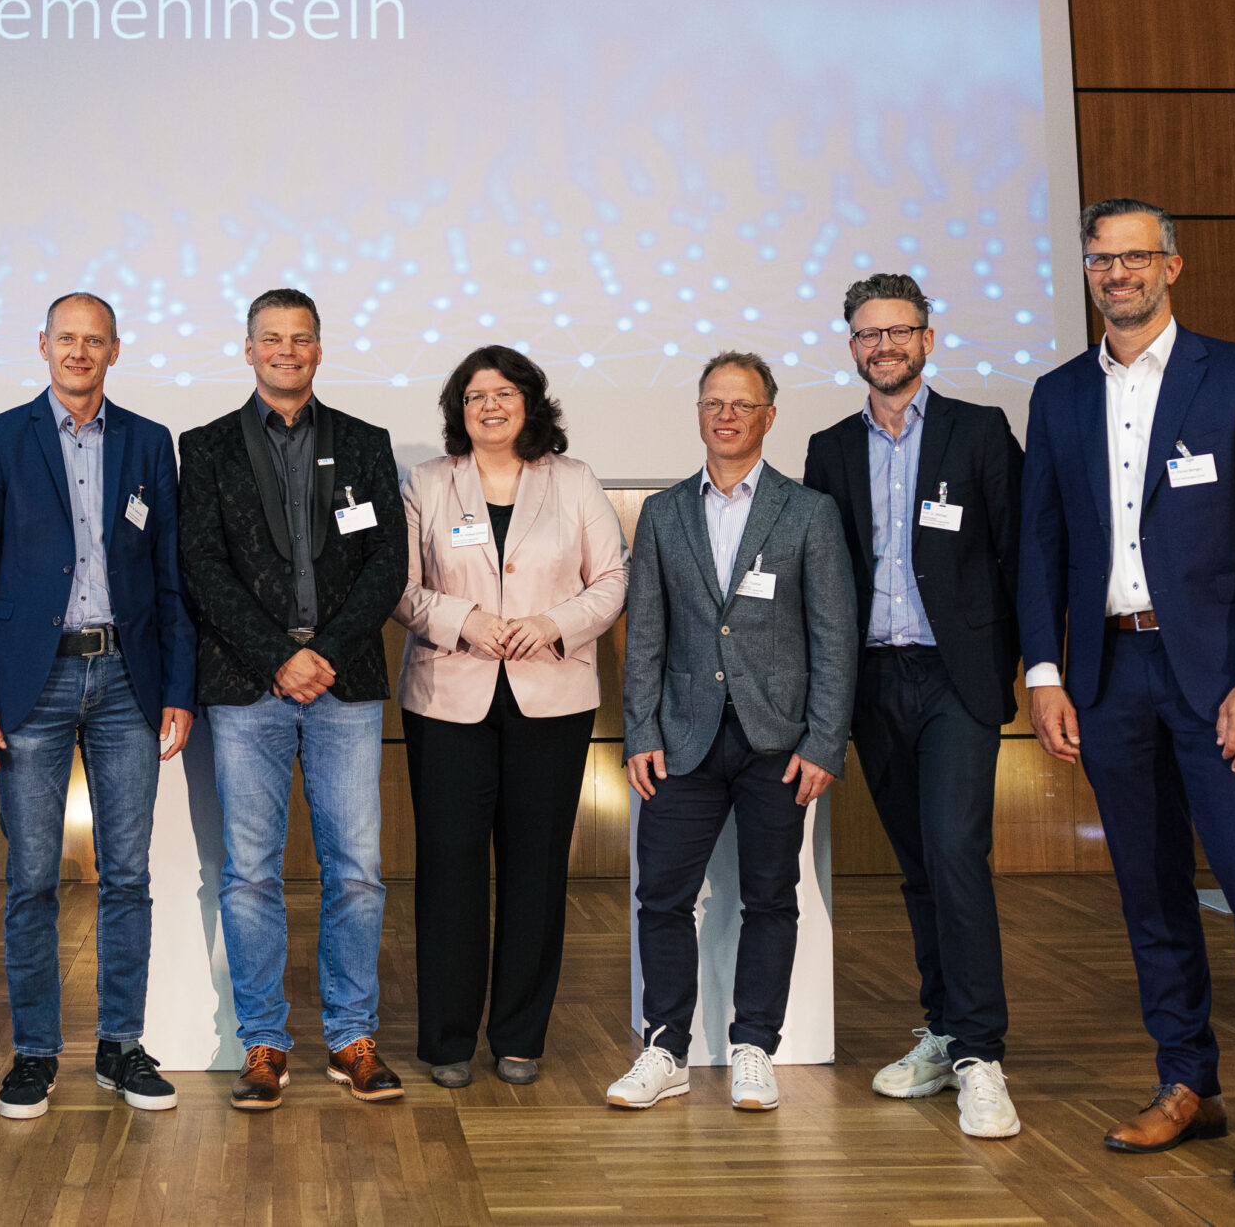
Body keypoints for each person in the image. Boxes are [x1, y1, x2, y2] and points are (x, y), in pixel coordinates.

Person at [1018, 198, 1235, 1190]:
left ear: (1171, 267)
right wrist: (1044, 671)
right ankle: (1184, 1082)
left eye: (1135, 257)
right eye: (1101, 259)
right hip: (1108, 680)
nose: (1117, 273)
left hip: (1219, 683)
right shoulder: (1058, 394)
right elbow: (1040, 547)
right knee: (1149, 895)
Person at [0, 293, 196, 1121]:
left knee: (128, 875)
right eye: (67, 340)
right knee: (31, 881)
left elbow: (170, 578)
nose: (80, 353)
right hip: (30, 688)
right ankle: (35, 1053)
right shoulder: (0, 439)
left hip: (128, 683)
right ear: (42, 345)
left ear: (115, 351)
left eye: (95, 341)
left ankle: (120, 1045)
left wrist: (180, 690)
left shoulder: (148, 442)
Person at [177, 288, 412, 1110]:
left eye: (300, 339)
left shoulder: (366, 443)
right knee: (249, 876)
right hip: (248, 689)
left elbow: (389, 563)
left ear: (320, 349)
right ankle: (264, 1043)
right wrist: (281, 658)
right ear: (247, 350)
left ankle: (351, 1035)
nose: (285, 350)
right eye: (270, 339)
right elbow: (200, 566)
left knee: (358, 874)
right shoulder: (203, 448)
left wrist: (326, 656)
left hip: (345, 687)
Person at [802, 275, 1024, 1139]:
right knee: (919, 865)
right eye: (867, 333)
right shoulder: (827, 449)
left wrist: (1018, 666)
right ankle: (943, 1029)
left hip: (956, 682)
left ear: (928, 340)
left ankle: (980, 1055)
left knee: (956, 852)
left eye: (899, 331)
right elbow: (824, 581)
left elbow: (1017, 558)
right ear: (850, 345)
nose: (883, 345)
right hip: (872, 685)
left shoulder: (980, 431)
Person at [606, 350, 856, 1114]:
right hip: (680, 738)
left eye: (741, 404)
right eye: (713, 402)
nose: (725, 415)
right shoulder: (664, 511)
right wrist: (639, 728)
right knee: (661, 898)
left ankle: (754, 1045)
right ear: (700, 414)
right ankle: (666, 1049)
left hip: (778, 742)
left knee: (772, 900)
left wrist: (823, 742)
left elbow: (834, 636)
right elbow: (644, 631)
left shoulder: (807, 512)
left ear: (768, 417)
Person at [394, 346, 626, 1088]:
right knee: (450, 869)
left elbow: (611, 579)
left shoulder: (574, 479)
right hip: (446, 699)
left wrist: (555, 623)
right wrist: (461, 619)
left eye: (503, 393)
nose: (488, 406)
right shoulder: (429, 483)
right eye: (473, 396)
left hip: (550, 699)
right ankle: (449, 1041)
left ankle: (520, 1036)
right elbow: (399, 588)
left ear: (530, 402)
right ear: (458, 410)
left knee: (535, 870)